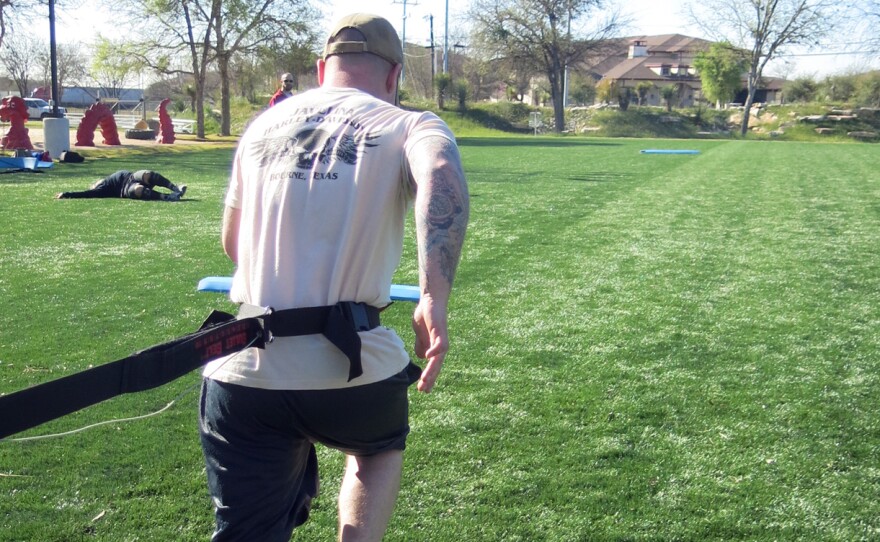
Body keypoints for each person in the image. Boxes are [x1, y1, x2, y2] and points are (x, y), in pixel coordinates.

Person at [199, 12, 469, 542]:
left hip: (245, 365)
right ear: (394, 77)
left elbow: (233, 243)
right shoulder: (408, 122)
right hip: (352, 370)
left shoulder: (263, 125)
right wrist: (433, 296)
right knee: (373, 451)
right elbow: (439, 174)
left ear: (322, 68)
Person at [55, 170, 186, 201]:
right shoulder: (102, 189)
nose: (94, 183)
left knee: (148, 174)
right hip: (125, 190)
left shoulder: (109, 177)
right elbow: (85, 194)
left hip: (132, 176)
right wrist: (66, 194)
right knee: (139, 189)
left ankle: (176, 188)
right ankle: (168, 197)